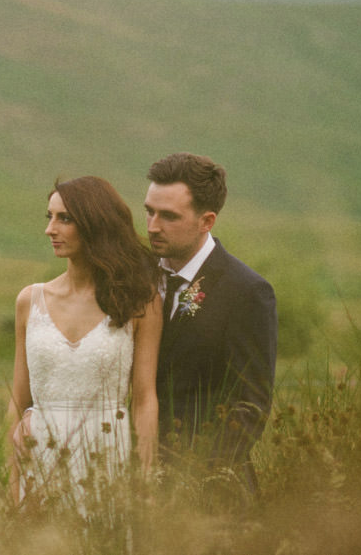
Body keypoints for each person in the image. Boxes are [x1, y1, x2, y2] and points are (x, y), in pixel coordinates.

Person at [8, 176, 162, 510]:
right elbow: (17, 401)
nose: (50, 229)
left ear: (95, 224)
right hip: (40, 453)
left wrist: (146, 476)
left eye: (65, 219)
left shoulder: (140, 301)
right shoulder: (29, 300)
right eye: (49, 217)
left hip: (107, 454)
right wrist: (13, 479)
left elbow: (145, 398)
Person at [144, 152, 276, 494]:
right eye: (149, 211)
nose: (153, 226)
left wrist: (194, 477)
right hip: (127, 479)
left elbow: (251, 406)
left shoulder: (246, 291)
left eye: (169, 216)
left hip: (208, 492)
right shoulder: (134, 278)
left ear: (207, 221)